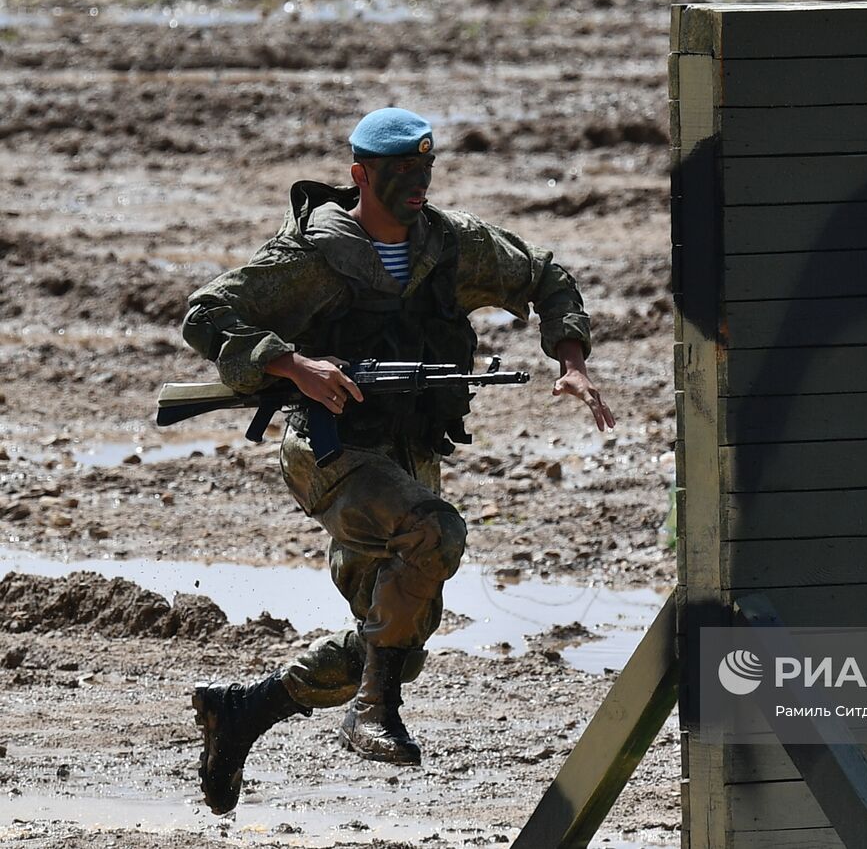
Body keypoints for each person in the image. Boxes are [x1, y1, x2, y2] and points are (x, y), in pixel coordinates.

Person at [182, 107, 613, 815]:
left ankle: (246, 711)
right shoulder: (313, 256)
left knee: (397, 636)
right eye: (398, 174)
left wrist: (570, 358)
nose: (416, 185)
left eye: (425, 170)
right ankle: (372, 713)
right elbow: (206, 315)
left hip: (410, 454)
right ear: (360, 177)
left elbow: (547, 278)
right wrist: (295, 365)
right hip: (331, 451)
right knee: (433, 534)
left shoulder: (451, 246)